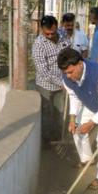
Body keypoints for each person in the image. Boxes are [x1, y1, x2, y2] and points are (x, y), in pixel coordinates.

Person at [58, 48, 98, 190]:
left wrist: (92, 122)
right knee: (76, 129)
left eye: (71, 72)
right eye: (65, 73)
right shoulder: (66, 77)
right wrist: (72, 118)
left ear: (80, 64)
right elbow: (74, 96)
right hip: (90, 101)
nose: (68, 76)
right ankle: (87, 158)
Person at [31, 15, 71, 147]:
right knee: (47, 115)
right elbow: (44, 72)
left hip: (63, 83)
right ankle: (46, 143)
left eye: (52, 33)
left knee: (60, 113)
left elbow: (69, 54)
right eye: (46, 33)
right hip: (46, 85)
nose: (49, 36)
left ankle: (58, 139)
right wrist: (61, 83)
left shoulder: (63, 34)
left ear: (56, 27)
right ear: (42, 30)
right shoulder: (38, 45)